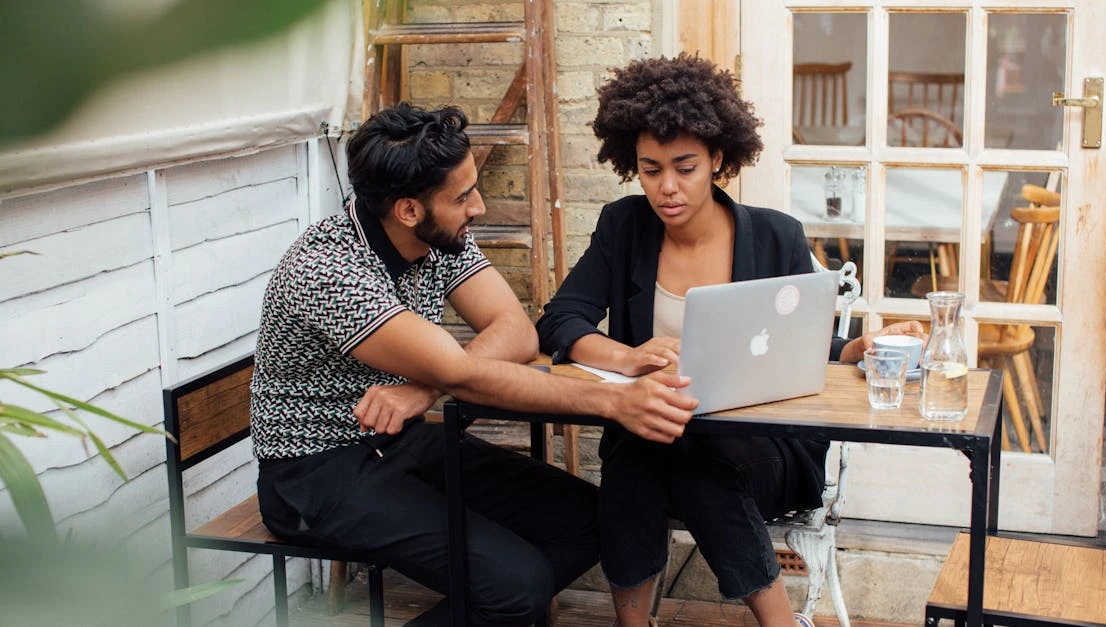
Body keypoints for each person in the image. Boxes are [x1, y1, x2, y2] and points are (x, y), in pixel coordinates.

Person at [250, 103, 699, 627]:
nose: (479, 207)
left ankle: (505, 602)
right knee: (515, 587)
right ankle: (508, 599)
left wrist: (423, 388)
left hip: (401, 443)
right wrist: (616, 400)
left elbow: (515, 329)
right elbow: (462, 376)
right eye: (463, 196)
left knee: (593, 521)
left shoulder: (440, 236)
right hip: (317, 473)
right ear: (408, 210)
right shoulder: (328, 270)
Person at [536, 54, 925, 627]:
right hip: (658, 432)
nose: (666, 187)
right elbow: (561, 320)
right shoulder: (623, 227)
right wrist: (629, 357)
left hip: (760, 448)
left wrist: (859, 348)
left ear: (719, 158)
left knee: (690, 457)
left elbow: (808, 348)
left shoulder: (775, 237)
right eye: (650, 169)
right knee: (646, 446)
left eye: (685, 167)